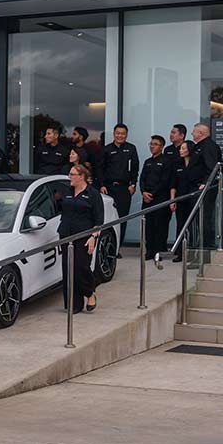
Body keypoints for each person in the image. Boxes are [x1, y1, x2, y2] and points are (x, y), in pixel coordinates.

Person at [59, 163, 104, 313]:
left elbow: (99, 219)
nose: (69, 177)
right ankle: (74, 304)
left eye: (72, 174)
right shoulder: (67, 191)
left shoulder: (93, 194)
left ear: (82, 176)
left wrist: (93, 236)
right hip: (66, 234)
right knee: (68, 269)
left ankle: (89, 293)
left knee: (81, 268)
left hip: (85, 236)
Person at [99, 123, 139, 255]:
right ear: (114, 134)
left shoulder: (131, 149)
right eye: (118, 133)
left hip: (124, 189)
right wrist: (102, 185)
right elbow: (100, 169)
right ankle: (107, 247)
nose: (120, 136)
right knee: (108, 218)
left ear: (126, 135)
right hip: (109, 188)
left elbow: (135, 169)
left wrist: (133, 184)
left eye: (123, 134)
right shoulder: (106, 149)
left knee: (122, 218)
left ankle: (117, 249)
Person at [139, 135, 174, 260]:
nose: (152, 146)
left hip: (160, 198)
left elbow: (164, 181)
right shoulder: (147, 162)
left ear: (162, 146)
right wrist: (143, 192)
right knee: (149, 226)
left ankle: (160, 251)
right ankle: (149, 251)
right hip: (146, 198)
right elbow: (142, 178)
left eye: (155, 144)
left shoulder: (166, 161)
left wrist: (152, 194)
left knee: (160, 226)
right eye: (151, 144)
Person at [190, 122, 223, 248]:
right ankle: (198, 248)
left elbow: (212, 167)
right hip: (195, 187)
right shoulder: (199, 146)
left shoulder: (208, 146)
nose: (192, 133)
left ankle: (205, 249)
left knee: (204, 220)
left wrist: (205, 183)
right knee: (198, 220)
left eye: (194, 131)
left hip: (204, 189)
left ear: (201, 133)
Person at [170, 140, 201, 262]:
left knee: (193, 226)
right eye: (180, 148)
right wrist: (172, 200)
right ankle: (180, 253)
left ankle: (193, 252)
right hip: (180, 198)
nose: (180, 151)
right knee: (180, 226)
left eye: (183, 148)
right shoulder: (177, 164)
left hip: (193, 198)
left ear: (189, 150)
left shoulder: (197, 165)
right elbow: (173, 184)